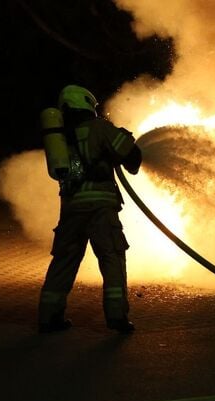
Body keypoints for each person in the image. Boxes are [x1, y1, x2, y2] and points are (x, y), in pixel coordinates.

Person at [38, 85, 142, 334]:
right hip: (100, 209)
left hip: (72, 208)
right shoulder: (99, 129)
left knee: (64, 260)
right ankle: (117, 316)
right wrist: (123, 141)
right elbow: (133, 159)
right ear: (85, 104)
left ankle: (48, 316)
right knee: (111, 257)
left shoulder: (62, 138)